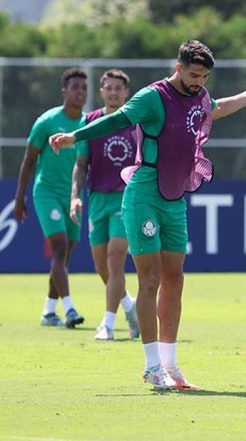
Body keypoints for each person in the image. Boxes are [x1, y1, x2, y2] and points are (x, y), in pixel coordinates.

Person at [49, 40, 246, 390]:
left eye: (204, 76)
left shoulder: (199, 96)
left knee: (175, 279)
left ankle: (171, 366)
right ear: (178, 67)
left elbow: (215, 109)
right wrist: (74, 136)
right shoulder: (152, 97)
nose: (199, 82)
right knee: (150, 279)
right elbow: (115, 121)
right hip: (143, 194)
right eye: (194, 75)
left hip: (175, 197)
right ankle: (152, 366)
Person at [14, 68, 88, 329]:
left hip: (73, 196)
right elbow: (29, 160)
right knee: (59, 248)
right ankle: (69, 309)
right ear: (64, 91)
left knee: (65, 255)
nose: (80, 92)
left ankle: (48, 311)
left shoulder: (88, 124)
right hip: (46, 192)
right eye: (75, 87)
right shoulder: (47, 121)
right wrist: (19, 197)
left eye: (84, 88)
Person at [70, 69, 140, 341]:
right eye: (108, 88)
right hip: (97, 198)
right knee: (102, 267)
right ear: (101, 92)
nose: (113, 93)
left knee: (115, 258)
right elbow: (81, 164)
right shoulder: (90, 121)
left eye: (118, 88)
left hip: (125, 198)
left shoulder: (136, 121)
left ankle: (107, 325)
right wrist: (75, 196)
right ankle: (130, 307)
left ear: (126, 93)